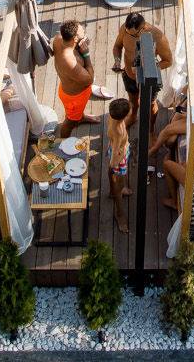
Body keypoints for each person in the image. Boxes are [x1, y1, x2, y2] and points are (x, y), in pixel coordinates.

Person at [111, 12, 174, 120]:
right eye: (128, 32)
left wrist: (145, 69)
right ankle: (133, 117)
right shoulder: (125, 29)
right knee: (133, 101)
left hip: (148, 79)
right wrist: (117, 61)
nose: (130, 36)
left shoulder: (158, 37)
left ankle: (151, 128)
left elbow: (168, 61)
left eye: (134, 35)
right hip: (129, 75)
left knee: (151, 104)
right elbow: (117, 46)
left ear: (143, 28)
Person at [53, 20, 100, 138]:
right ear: (74, 39)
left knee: (77, 115)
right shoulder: (70, 62)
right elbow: (90, 79)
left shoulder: (58, 39)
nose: (84, 31)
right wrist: (86, 54)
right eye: (82, 31)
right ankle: (64, 142)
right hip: (74, 98)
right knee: (70, 122)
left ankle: (81, 117)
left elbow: (73, 49)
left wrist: (79, 46)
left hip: (68, 87)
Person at [106, 97, 132, 233]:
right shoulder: (119, 131)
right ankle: (120, 214)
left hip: (116, 147)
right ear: (125, 115)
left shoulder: (112, 116)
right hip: (119, 158)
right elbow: (116, 151)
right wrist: (113, 165)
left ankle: (112, 191)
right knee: (119, 187)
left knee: (114, 180)